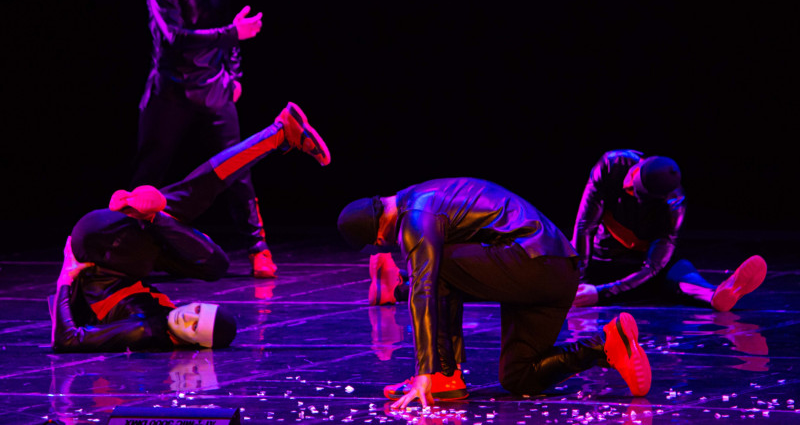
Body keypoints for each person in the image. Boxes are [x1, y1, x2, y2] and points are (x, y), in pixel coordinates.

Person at [337, 178, 653, 408]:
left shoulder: (417, 215)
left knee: (435, 269)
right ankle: (606, 345)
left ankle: (442, 375)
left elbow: (426, 289)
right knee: (519, 377)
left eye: (380, 244)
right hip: (556, 271)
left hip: (535, 262)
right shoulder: (421, 198)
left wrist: (424, 372)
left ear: (379, 236)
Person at [51, 102, 330, 353]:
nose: (188, 316)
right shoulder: (165, 321)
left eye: (195, 326)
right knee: (216, 264)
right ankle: (153, 215)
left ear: (198, 343)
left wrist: (66, 276)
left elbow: (67, 341)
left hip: (99, 247)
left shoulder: (144, 329)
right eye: (197, 310)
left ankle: (277, 134)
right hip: (123, 251)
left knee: (185, 201)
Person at [132, 0, 274, 278]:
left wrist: (235, 75)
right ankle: (128, 245)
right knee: (151, 171)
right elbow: (174, 38)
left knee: (237, 167)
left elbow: (230, 28)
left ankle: (258, 247)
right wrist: (233, 35)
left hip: (214, 88)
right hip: (171, 90)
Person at [571, 150, 766, 311]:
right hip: (600, 260)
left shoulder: (674, 205)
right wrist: (579, 280)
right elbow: (585, 226)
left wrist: (601, 293)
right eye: (631, 180)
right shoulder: (612, 164)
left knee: (676, 271)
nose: (628, 185)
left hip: (639, 270)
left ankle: (715, 295)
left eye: (634, 191)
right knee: (563, 262)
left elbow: (653, 266)